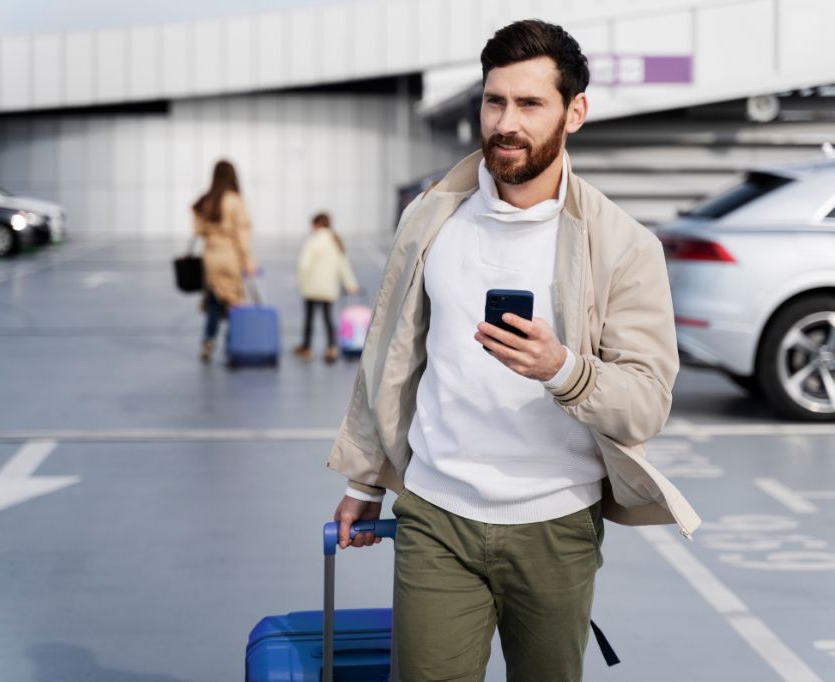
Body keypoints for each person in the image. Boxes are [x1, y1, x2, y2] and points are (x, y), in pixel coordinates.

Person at [328, 19, 701, 682]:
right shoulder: (430, 218)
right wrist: (365, 479)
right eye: (494, 100)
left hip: (556, 523)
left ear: (574, 112)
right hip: (438, 514)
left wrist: (563, 370)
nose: (506, 122)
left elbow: (645, 406)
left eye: (530, 104)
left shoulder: (623, 245)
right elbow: (390, 355)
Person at [191, 160, 256, 363]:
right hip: (230, 257)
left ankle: (208, 341)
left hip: (210, 256)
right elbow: (242, 234)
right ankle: (232, 345)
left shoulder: (206, 200)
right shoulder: (236, 200)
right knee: (234, 301)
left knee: (213, 301)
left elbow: (198, 231)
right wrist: (248, 262)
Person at [292, 212, 359, 364]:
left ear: (317, 224)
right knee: (328, 318)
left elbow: (303, 265)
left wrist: (300, 282)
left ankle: (307, 347)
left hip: (311, 287)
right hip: (328, 288)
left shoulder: (313, 241)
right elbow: (344, 266)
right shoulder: (335, 241)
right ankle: (331, 348)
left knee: (309, 318)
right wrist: (351, 285)